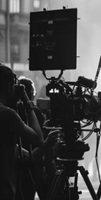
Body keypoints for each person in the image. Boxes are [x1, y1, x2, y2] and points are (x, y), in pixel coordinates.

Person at [0, 65, 44, 200]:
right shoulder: (7, 115)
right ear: (9, 86)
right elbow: (37, 138)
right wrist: (26, 101)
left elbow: (23, 154)